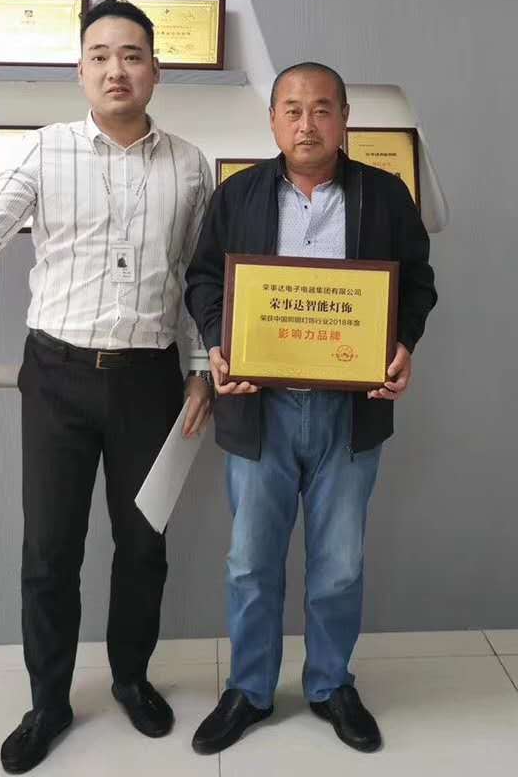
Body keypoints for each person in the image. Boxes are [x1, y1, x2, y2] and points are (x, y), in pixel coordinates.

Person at [0, 0, 215, 774]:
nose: (115, 69)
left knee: (143, 544)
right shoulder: (45, 150)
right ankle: (48, 703)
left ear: (155, 69)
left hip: (149, 381)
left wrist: (201, 371)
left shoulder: (191, 164)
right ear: (80, 71)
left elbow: (200, 279)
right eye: (99, 56)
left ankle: (131, 678)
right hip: (56, 377)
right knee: (48, 550)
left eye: (131, 55)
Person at [183, 62, 437, 755]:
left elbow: (417, 282)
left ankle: (329, 685)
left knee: (340, 564)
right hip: (258, 411)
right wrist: (221, 344)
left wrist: (403, 343)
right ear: (272, 120)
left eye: (322, 109)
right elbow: (204, 279)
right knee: (249, 563)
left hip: (348, 412)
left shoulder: (384, 195)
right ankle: (249, 689)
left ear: (344, 119)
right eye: (292, 109)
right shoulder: (238, 195)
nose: (307, 123)